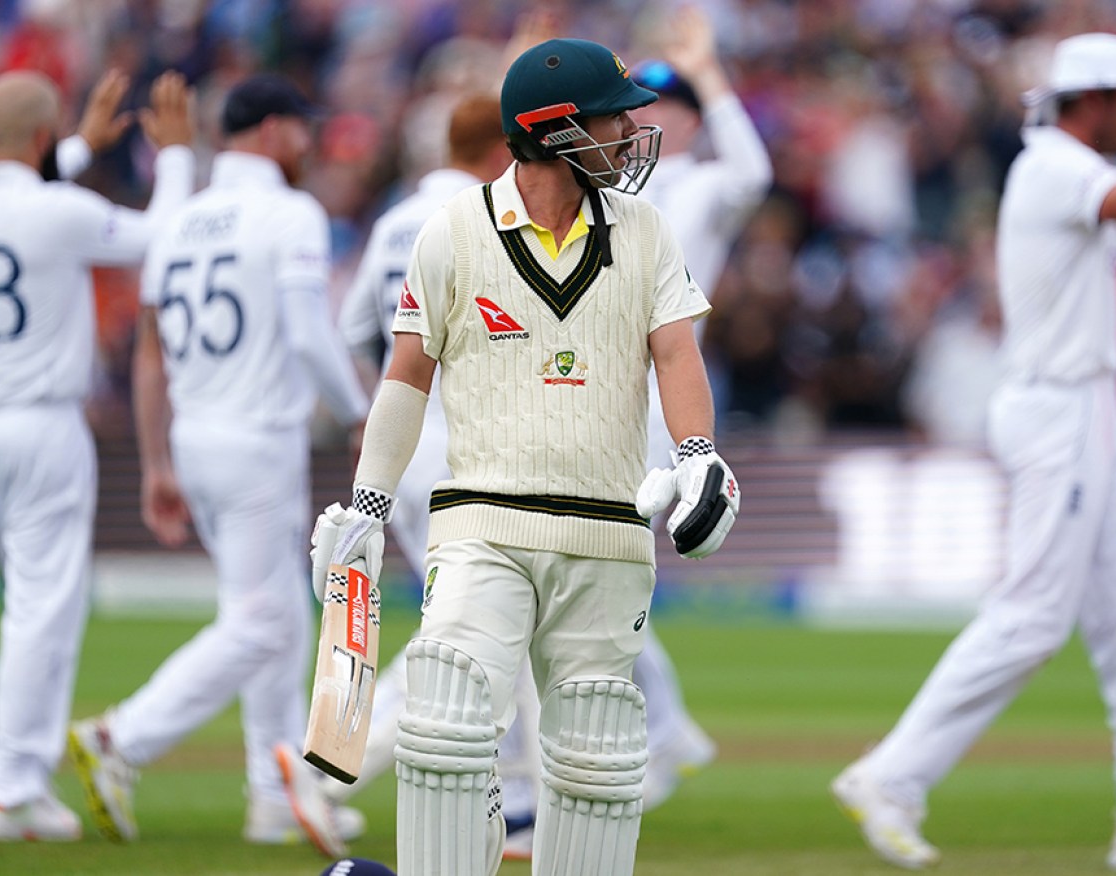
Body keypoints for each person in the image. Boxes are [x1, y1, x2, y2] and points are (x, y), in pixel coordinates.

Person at [310, 36, 739, 876]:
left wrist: (696, 452)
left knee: (597, 753)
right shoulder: (452, 233)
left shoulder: (647, 230)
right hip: (483, 522)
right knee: (448, 719)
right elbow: (405, 375)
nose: (630, 136)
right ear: (555, 129)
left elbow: (677, 354)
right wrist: (365, 502)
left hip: (608, 530)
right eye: (615, 119)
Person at [831, 33, 1116, 872]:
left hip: (1082, 405)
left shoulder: (1060, 162)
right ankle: (892, 774)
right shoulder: (1054, 162)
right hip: (1055, 407)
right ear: (1092, 101)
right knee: (1032, 616)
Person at [67, 73, 370, 857]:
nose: (307, 143)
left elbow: (148, 358)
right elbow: (307, 335)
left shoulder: (180, 220)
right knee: (265, 620)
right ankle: (121, 738)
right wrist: (366, 413)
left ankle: (273, 797)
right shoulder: (289, 212)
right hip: (256, 440)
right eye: (301, 129)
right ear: (272, 131)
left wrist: (157, 462)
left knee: (279, 616)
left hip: (197, 438)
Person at [0, 67, 195, 842]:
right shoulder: (55, 209)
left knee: (33, 600)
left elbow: (21, 205)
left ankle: (17, 784)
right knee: (42, 608)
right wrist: (175, 156)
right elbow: (161, 235)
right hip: (42, 423)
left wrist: (75, 145)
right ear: (44, 137)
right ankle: (10, 788)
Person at [335, 91, 545, 861]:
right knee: (478, 625)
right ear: (501, 148)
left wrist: (377, 409)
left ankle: (513, 799)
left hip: (409, 446)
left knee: (476, 621)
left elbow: (358, 328)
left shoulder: (394, 218)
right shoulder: (488, 217)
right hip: (469, 444)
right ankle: (337, 763)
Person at [630, 4, 773, 808]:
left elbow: (754, 174)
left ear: (687, 117)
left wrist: (712, 76)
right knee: (612, 571)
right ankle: (671, 727)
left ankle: (665, 730)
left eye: (662, 107)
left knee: (613, 566)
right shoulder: (611, 181)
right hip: (605, 385)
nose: (647, 120)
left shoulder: (705, 184)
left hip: (664, 395)